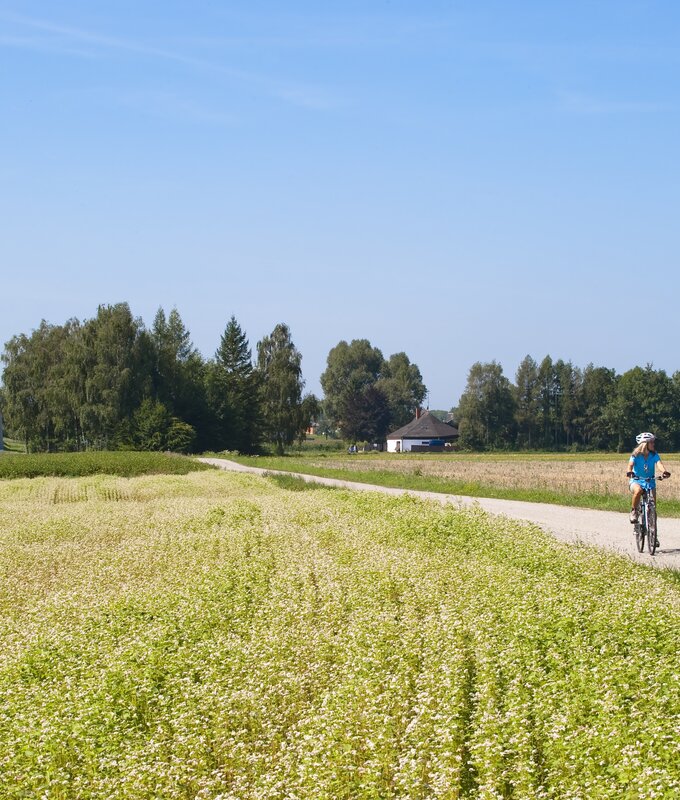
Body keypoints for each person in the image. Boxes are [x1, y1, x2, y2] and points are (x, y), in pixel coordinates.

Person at [626, 432, 671, 523]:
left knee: (653, 505)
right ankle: (634, 511)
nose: (653, 444)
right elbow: (630, 465)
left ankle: (653, 530)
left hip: (650, 482)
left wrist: (664, 472)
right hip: (637, 481)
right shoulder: (635, 455)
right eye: (651, 442)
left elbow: (659, 464)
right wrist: (630, 472)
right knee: (638, 491)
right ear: (645, 444)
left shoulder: (654, 455)